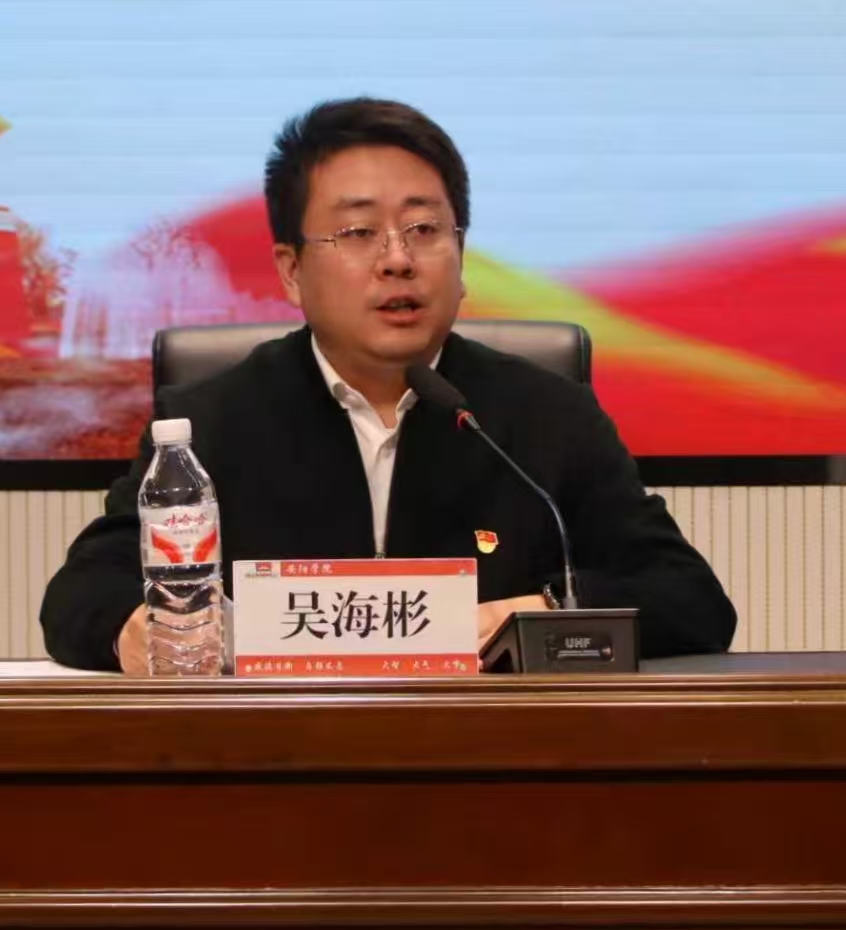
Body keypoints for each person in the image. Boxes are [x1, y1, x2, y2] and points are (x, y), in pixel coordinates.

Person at [41, 97, 735, 673]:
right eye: (358, 232)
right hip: (279, 762)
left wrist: (544, 612)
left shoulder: (544, 416)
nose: (398, 259)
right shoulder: (215, 422)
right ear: (290, 271)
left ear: (461, 257)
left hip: (488, 766)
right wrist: (139, 631)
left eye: (424, 228)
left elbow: (689, 599)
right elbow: (81, 594)